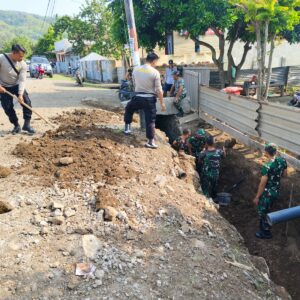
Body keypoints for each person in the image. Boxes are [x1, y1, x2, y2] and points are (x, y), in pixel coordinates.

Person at [124, 53, 166, 149]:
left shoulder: (136, 69)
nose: (156, 64)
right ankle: (150, 142)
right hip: (149, 99)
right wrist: (162, 103)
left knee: (129, 109)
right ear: (154, 61)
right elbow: (159, 90)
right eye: (156, 62)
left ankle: (127, 128)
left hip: (137, 97)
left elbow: (134, 83)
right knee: (150, 120)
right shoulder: (155, 72)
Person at [253, 143, 287, 239]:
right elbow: (285, 174)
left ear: (266, 152)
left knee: (263, 212)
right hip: (275, 191)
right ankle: (266, 229)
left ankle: (265, 232)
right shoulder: (282, 161)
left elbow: (262, 184)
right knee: (268, 209)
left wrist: (257, 197)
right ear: (276, 152)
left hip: (267, 194)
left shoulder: (267, 166)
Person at [0, 44, 35, 134]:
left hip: (16, 85)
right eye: (20, 56)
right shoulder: (1, 58)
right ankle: (16, 125)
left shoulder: (23, 64)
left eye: (23, 56)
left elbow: (22, 80)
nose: (21, 58)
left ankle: (26, 125)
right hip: (3, 86)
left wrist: (20, 95)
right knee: (7, 108)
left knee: (27, 102)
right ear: (13, 53)